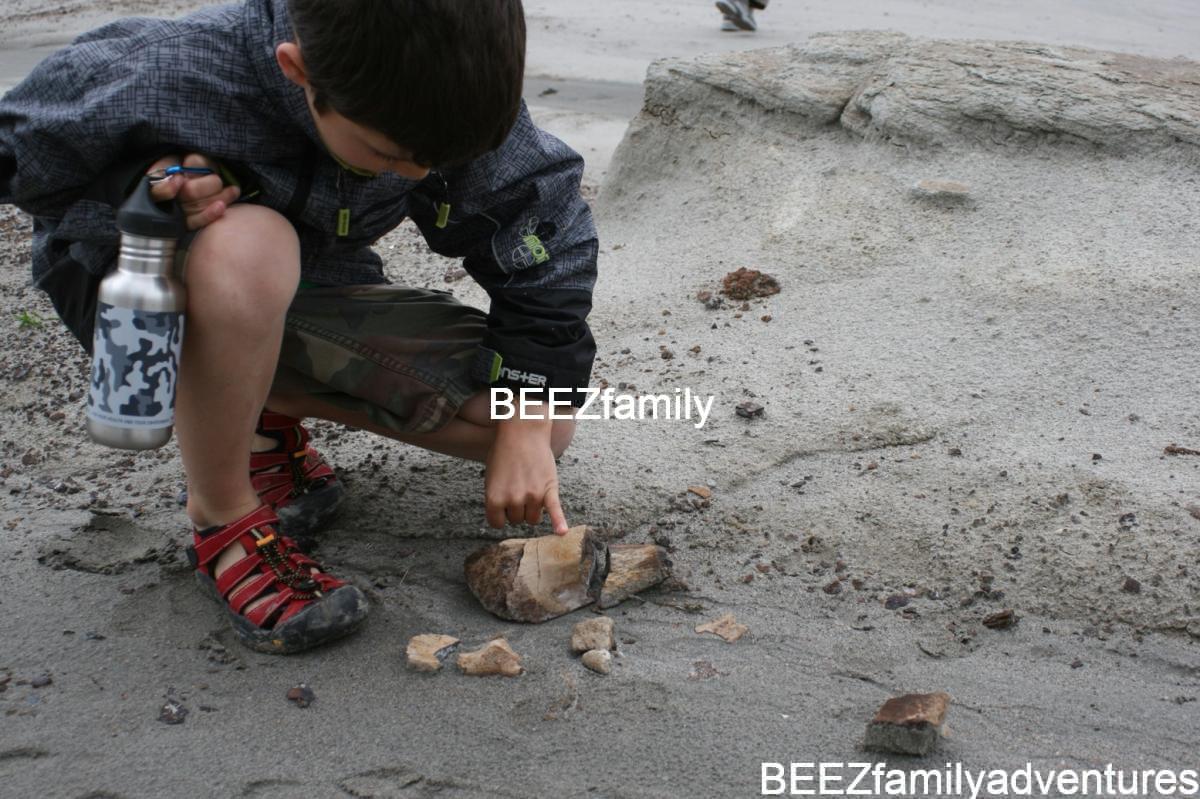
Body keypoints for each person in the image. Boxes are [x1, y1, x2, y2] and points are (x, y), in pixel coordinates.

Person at [0, 0, 597, 654]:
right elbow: (18, 151)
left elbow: (548, 237)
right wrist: (134, 181)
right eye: (391, 155)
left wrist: (527, 415)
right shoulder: (164, 70)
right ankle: (224, 516)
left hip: (306, 288)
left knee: (536, 422)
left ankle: (256, 412)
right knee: (249, 247)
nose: (421, 174)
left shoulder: (445, 89)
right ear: (298, 70)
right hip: (144, 303)